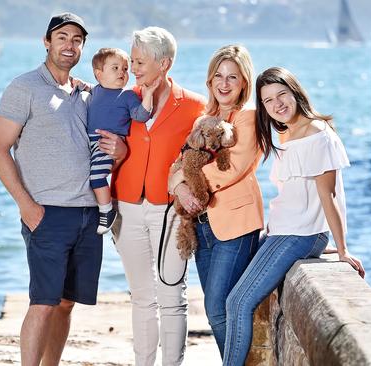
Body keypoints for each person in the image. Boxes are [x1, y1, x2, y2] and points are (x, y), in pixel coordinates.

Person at [0, 13, 125, 366]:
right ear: (46, 42)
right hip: (46, 213)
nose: (69, 44)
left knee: (66, 303)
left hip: (88, 214)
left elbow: (104, 145)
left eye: (77, 39)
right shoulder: (24, 88)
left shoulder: (86, 94)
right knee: (43, 301)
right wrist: (26, 205)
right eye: (62, 37)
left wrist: (121, 152)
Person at [222, 67, 366, 365]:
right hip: (285, 231)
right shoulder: (288, 133)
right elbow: (299, 196)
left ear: (295, 92)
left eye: (281, 95)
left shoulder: (318, 136)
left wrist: (341, 249)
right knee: (231, 282)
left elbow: (331, 195)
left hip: (297, 234)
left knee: (238, 302)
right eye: (268, 101)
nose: (277, 104)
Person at [109, 27, 205, 365]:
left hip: (172, 213)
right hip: (127, 206)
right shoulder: (124, 99)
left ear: (164, 63)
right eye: (132, 60)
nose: (133, 68)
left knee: (172, 295)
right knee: (141, 296)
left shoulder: (195, 106)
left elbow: (200, 158)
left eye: (139, 62)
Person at [167, 44, 264, 358]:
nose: (224, 83)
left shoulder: (249, 119)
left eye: (232, 77)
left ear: (243, 83)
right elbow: (176, 166)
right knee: (215, 311)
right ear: (209, 81)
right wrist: (180, 189)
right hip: (202, 226)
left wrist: (183, 181)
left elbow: (232, 169)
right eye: (218, 76)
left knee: (218, 308)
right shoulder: (203, 120)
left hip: (236, 225)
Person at [85, 47, 160, 234]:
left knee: (97, 177)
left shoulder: (127, 96)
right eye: (115, 68)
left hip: (107, 143)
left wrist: (148, 95)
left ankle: (107, 211)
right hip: (89, 143)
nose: (122, 72)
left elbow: (141, 115)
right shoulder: (93, 91)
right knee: (86, 175)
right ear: (99, 74)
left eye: (125, 69)